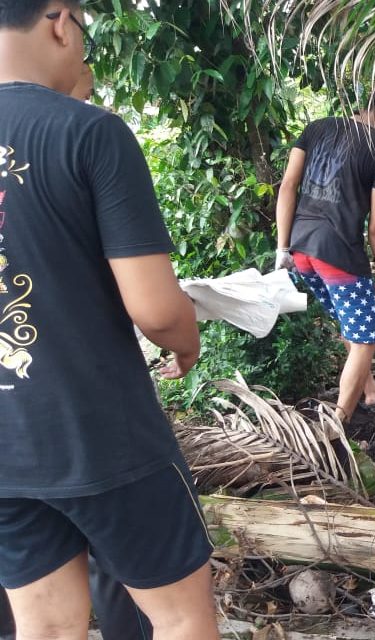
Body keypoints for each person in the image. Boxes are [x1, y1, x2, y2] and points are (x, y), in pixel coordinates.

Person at [0, 3, 218, 639]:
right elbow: (155, 309)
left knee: (44, 627)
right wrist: (185, 341)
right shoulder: (90, 133)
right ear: (60, 21)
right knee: (180, 619)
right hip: (98, 434)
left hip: (6, 446)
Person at [275, 87, 375, 421]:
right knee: (365, 339)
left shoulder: (318, 127)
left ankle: (371, 390)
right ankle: (338, 423)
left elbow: (288, 185)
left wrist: (282, 246)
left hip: (300, 250)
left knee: (350, 324)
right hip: (336, 253)